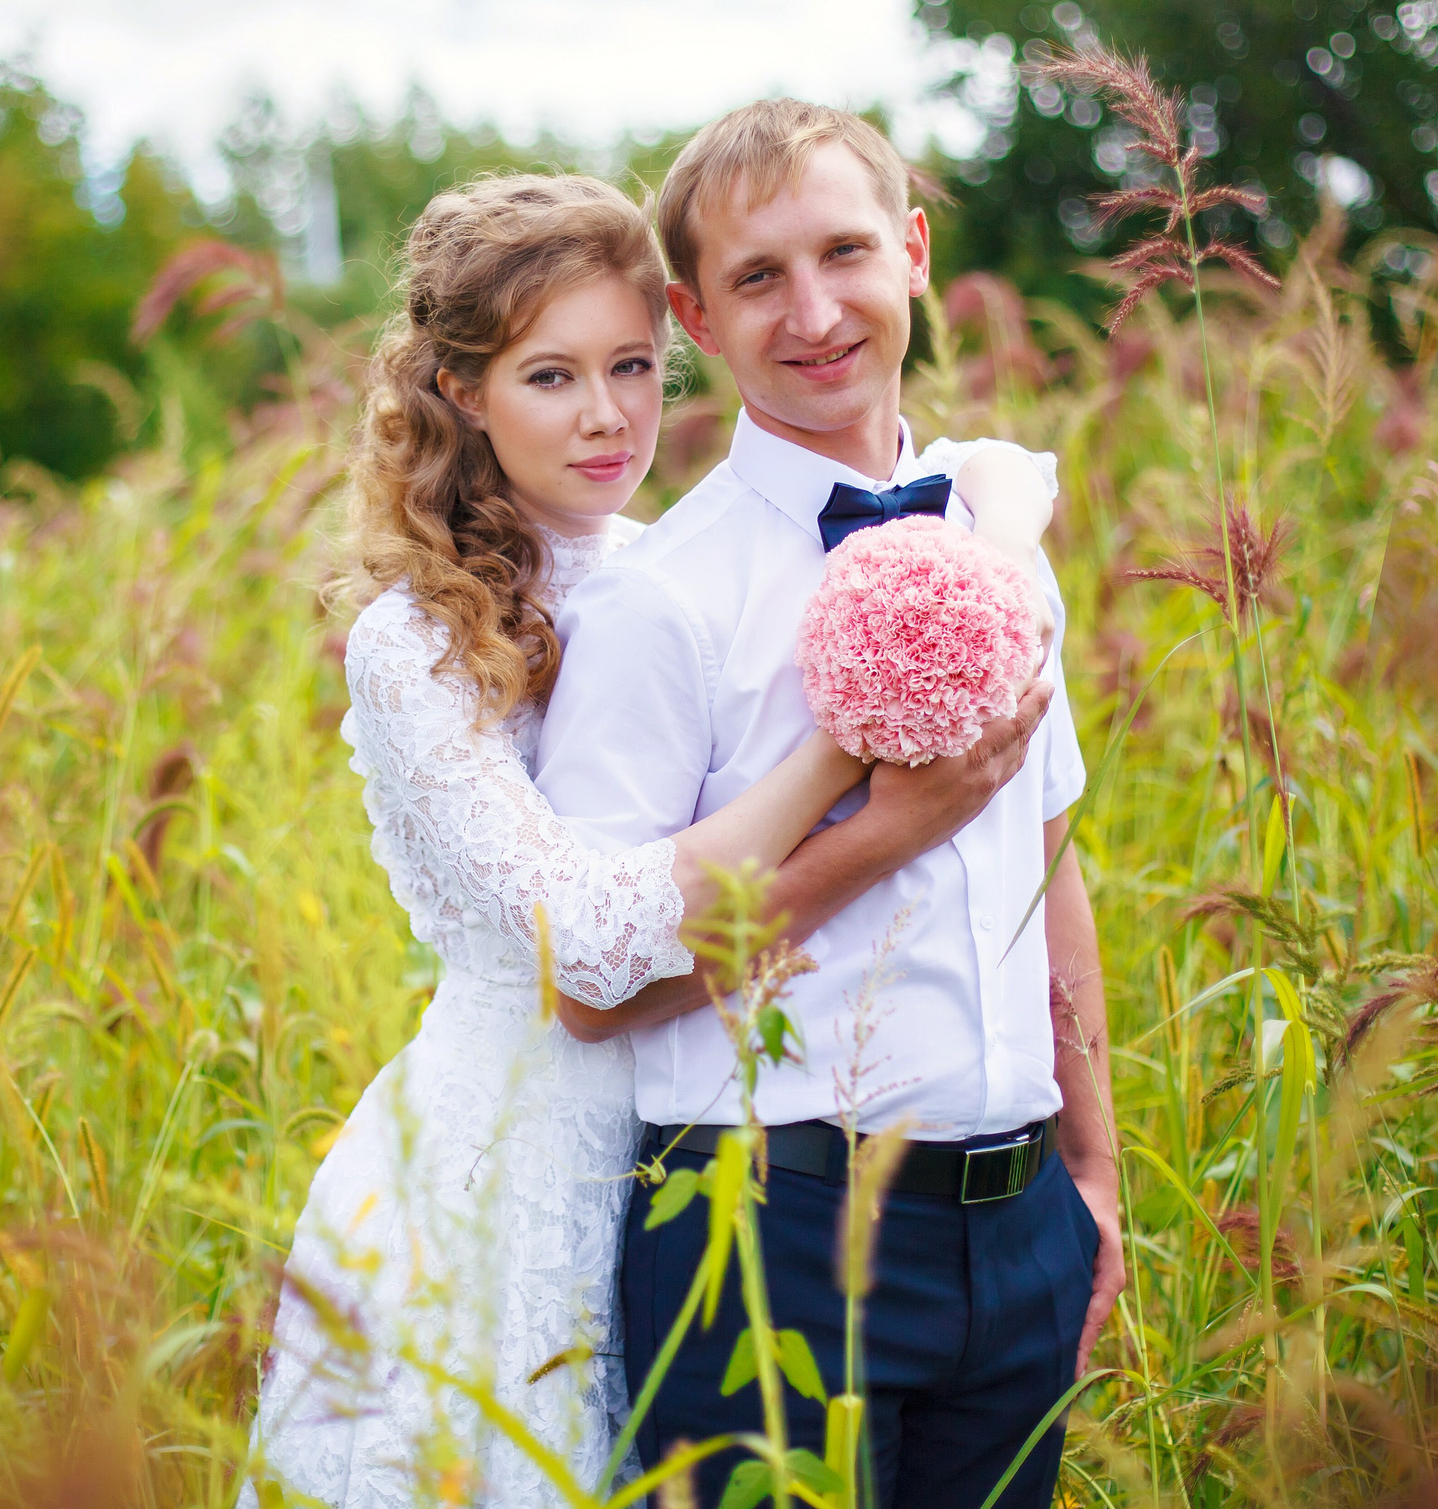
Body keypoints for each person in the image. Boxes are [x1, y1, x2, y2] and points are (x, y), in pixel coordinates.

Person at [242, 171, 1065, 1507]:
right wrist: (850, 745)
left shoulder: (665, 567)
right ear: (462, 391)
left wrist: (997, 505)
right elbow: (593, 939)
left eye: (631, 366)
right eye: (551, 376)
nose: (609, 414)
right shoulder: (415, 641)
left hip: (708, 1165)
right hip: (513, 1176)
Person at [535, 101, 1126, 1508]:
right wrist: (883, 837)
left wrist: (1095, 1175)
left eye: (844, 252)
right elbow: (591, 993)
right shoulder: (657, 606)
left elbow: (1050, 862)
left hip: (1019, 1227)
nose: (813, 312)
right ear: (695, 316)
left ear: (912, 251)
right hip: (768, 1237)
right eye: (757, 277)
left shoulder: (1000, 539)